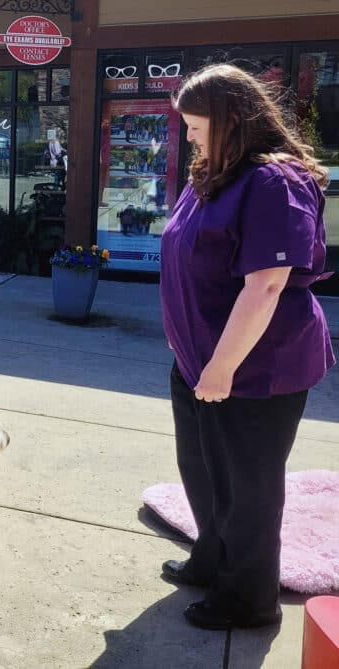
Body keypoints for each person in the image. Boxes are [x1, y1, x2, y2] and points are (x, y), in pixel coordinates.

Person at [159, 63, 335, 630]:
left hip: (253, 370)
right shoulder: (214, 170)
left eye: (195, 126)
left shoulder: (273, 182)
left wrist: (221, 366)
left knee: (247, 488)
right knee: (205, 474)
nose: (189, 137)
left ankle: (248, 601)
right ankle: (212, 559)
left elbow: (266, 285)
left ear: (231, 121)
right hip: (200, 361)